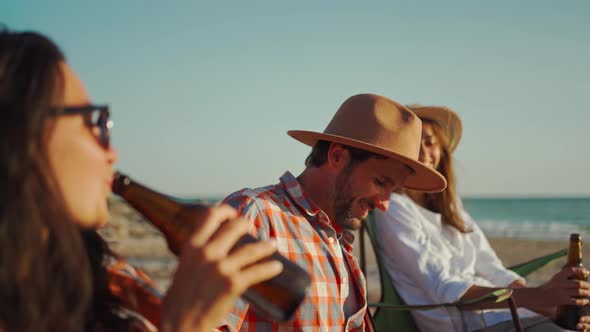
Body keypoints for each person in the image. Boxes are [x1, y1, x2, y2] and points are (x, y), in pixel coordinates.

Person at [0, 28, 283, 332]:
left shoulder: (105, 283)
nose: (111, 152)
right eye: (92, 120)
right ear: (22, 134)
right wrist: (185, 325)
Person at [216, 93, 448, 331]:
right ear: (337, 156)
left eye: (394, 190)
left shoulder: (339, 243)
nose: (384, 204)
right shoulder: (255, 215)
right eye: (380, 182)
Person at [372, 105, 590, 331]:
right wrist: (540, 297)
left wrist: (549, 304)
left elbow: (492, 268)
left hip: (508, 313)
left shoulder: (451, 207)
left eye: (429, 142)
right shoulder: (394, 208)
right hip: (470, 325)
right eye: (415, 144)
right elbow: (447, 288)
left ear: (442, 151)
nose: (424, 152)